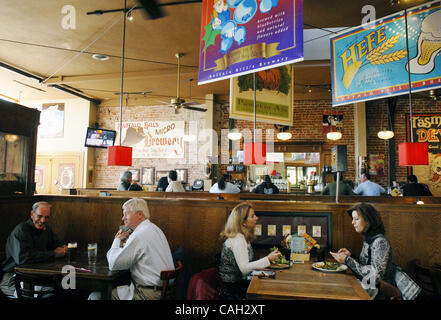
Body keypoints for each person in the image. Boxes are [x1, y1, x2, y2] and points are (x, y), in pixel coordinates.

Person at [330, 203, 420, 300]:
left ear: (368, 221)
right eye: (353, 219)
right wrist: (350, 256)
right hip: (372, 287)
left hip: (383, 293)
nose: (352, 222)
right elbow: (366, 265)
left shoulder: (380, 242)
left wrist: (348, 260)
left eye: (356, 219)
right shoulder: (369, 238)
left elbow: (376, 277)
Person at [90, 198, 174, 300]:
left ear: (139, 214)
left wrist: (117, 240)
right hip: (165, 291)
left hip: (148, 294)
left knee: (95, 297)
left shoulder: (139, 234)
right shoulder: (154, 228)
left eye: (126, 214)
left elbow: (113, 264)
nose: (123, 218)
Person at [0, 201, 67, 297]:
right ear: (32, 214)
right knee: (48, 293)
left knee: (64, 289)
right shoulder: (21, 230)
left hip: (37, 276)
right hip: (13, 278)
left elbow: (57, 246)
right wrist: (53, 254)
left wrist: (63, 249)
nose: (43, 220)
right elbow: (23, 259)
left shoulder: (46, 229)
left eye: (46, 217)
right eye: (39, 216)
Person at [218, 202, 281, 299]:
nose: (256, 218)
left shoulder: (241, 236)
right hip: (233, 287)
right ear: (243, 222)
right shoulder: (238, 239)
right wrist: (268, 259)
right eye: (252, 216)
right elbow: (244, 269)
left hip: (237, 283)